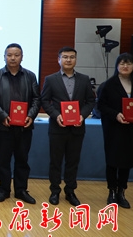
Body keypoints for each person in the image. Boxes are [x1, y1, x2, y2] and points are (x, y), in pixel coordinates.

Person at [97, 53, 133, 208]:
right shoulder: (108, 85)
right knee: (113, 160)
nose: (125, 66)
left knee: (127, 161)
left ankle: (121, 191)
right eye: (122, 63)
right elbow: (101, 105)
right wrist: (116, 115)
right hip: (114, 128)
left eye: (128, 64)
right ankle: (112, 191)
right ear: (117, 66)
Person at [41, 46, 95, 206]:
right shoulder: (51, 79)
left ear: (76, 60)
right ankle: (55, 191)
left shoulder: (84, 79)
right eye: (65, 57)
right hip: (57, 128)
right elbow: (45, 101)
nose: (68, 60)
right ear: (59, 60)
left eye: (72, 57)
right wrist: (56, 115)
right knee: (55, 161)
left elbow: (90, 101)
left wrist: (82, 115)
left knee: (73, 161)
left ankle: (70, 191)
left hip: (77, 128)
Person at [0, 43, 41, 204]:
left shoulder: (30, 76)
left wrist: (31, 115)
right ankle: (4, 190)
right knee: (3, 160)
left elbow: (36, 98)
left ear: (22, 57)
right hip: (4, 126)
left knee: (22, 159)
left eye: (16, 55)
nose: (13, 58)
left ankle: (21, 190)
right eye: (9, 55)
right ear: (4, 57)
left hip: (24, 126)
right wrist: (2, 116)